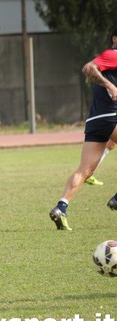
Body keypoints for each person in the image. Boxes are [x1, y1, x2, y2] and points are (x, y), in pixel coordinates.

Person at [50, 27, 117, 231]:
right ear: (115, 38)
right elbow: (88, 68)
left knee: (85, 170)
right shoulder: (113, 54)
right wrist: (110, 86)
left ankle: (61, 207)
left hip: (96, 120)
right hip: (112, 115)